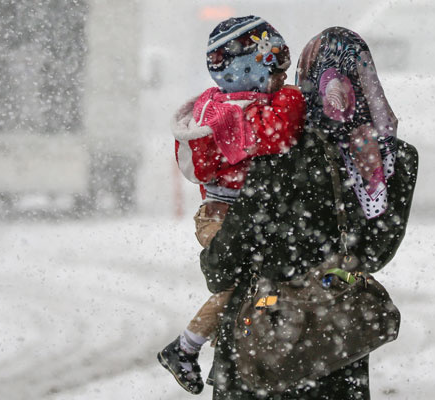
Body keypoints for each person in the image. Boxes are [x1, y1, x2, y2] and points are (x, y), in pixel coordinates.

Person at [199, 27, 418, 399]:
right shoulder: (395, 159)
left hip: (264, 345)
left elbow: (223, 267)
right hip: (334, 350)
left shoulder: (279, 150)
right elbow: (375, 254)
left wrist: (212, 238)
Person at [158, 16, 305, 395]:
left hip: (223, 214)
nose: (281, 80)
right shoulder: (237, 110)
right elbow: (278, 136)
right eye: (274, 68)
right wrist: (290, 98)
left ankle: (200, 349)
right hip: (224, 218)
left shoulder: (216, 104)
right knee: (239, 284)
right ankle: (186, 347)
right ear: (248, 65)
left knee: (250, 285)